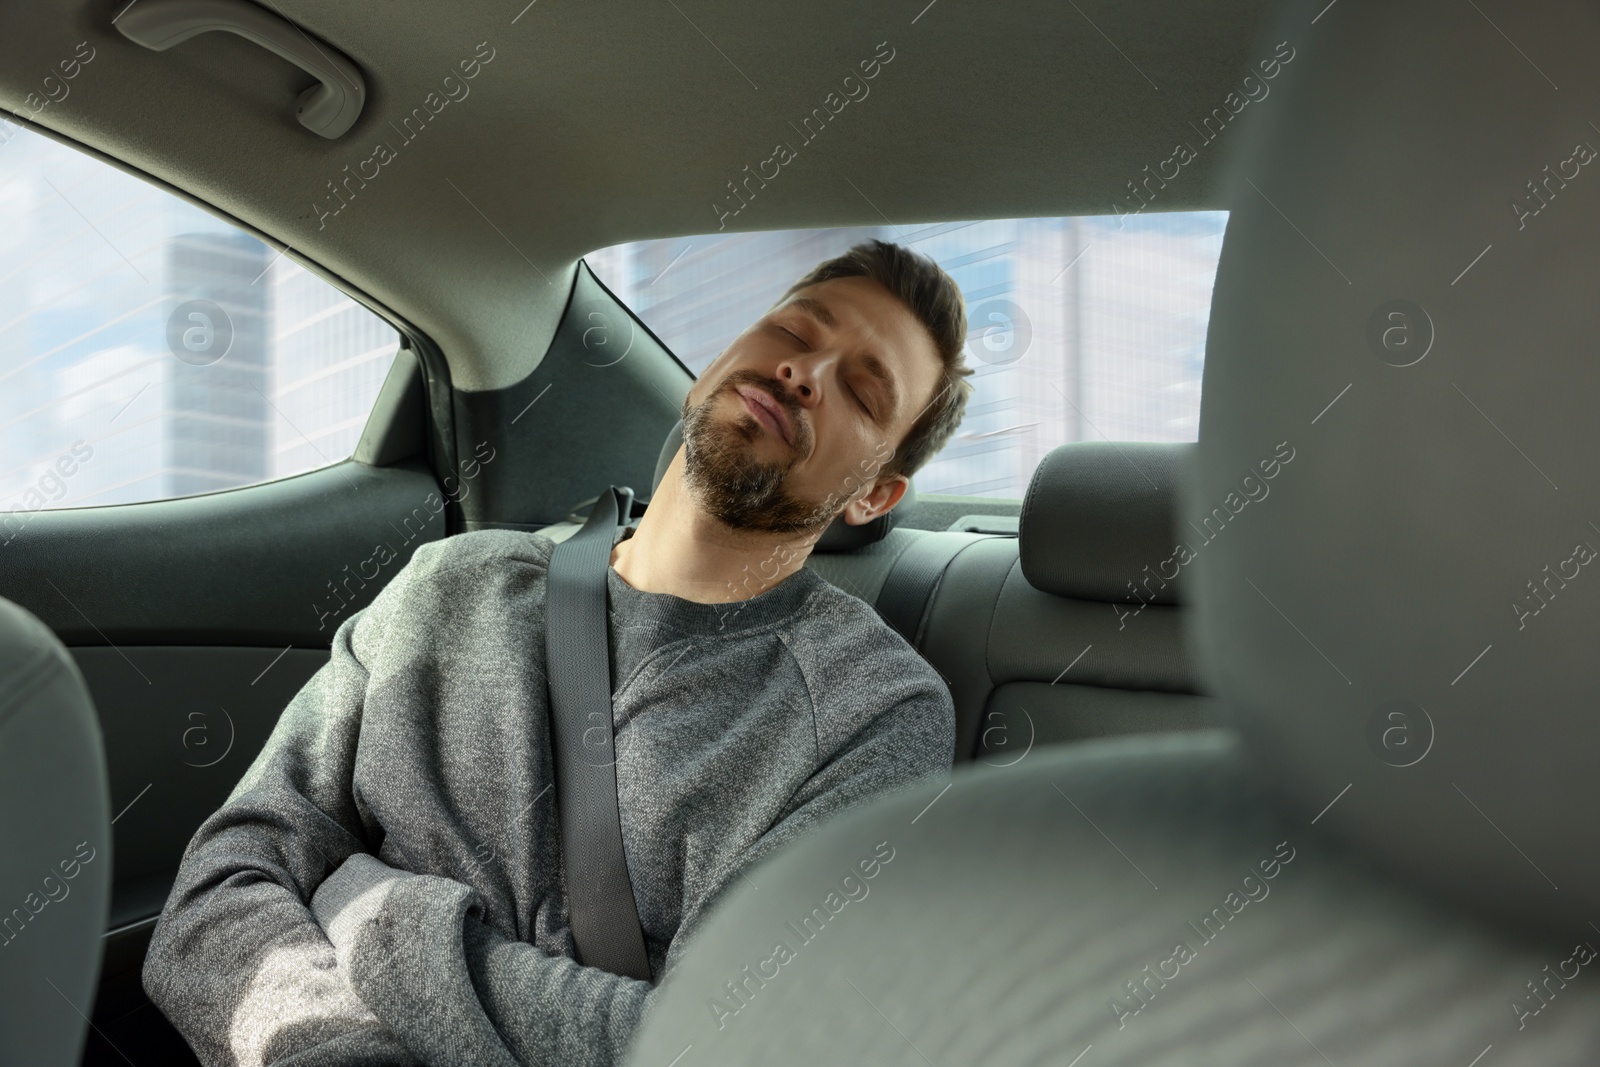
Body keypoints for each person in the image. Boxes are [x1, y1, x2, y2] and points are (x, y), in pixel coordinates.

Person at [141, 239, 975, 1067]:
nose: (806, 372)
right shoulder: (448, 582)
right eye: (794, 332)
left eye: (863, 391)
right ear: (721, 357)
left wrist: (368, 905)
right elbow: (220, 885)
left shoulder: (874, 708)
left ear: (875, 494)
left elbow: (719, 1042)